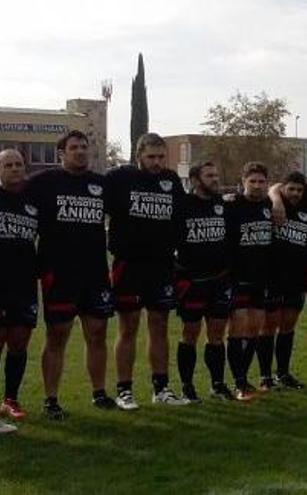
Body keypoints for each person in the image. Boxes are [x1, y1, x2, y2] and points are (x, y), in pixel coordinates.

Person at [27, 130, 115, 419]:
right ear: (61, 153)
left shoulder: (101, 185)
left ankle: (99, 392)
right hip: (58, 273)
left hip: (95, 273)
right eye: (74, 147)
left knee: (98, 333)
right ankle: (51, 400)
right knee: (57, 336)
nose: (80, 151)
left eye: (84, 147)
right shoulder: (42, 183)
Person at [105, 132, 187, 409]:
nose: (157, 162)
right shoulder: (119, 178)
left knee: (160, 326)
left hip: (161, 265)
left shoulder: (171, 181)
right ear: (138, 154)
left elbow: (182, 217)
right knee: (128, 327)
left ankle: (161, 388)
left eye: (161, 157)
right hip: (129, 265)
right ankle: (124, 390)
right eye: (151, 157)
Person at [174, 161, 234, 401]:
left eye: (216, 174)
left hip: (219, 280)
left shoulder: (224, 204)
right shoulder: (183, 205)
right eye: (209, 175)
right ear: (196, 180)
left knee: (217, 334)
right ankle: (187, 387)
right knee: (190, 333)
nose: (215, 179)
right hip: (192, 281)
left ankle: (217, 384)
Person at [225, 162, 275, 399]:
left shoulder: (268, 204)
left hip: (261, 276)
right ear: (243, 181)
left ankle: (243, 379)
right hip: (237, 277)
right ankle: (238, 383)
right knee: (238, 328)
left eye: (261, 181)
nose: (257, 186)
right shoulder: (232, 204)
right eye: (252, 181)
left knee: (254, 329)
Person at [262, 171, 307, 391]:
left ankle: (283, 373)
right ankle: (265, 378)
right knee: (269, 327)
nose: (295, 193)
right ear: (283, 188)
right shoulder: (272, 204)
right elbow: (269, 187)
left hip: (297, 278)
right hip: (273, 276)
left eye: (299, 190)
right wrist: (275, 196)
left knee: (288, 327)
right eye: (291, 189)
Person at [0, 149, 38, 431]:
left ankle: (10, 399)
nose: (14, 169)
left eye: (18, 164)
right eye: (8, 165)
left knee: (19, 341)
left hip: (24, 284)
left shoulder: (33, 201)